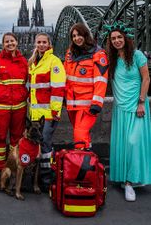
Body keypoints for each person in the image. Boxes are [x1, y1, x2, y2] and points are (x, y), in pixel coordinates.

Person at [105, 22, 151, 201]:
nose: (117, 41)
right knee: (123, 144)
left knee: (134, 142)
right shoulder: (112, 59)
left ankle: (131, 182)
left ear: (125, 38)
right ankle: (124, 179)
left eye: (119, 37)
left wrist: (141, 102)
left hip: (137, 105)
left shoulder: (138, 55)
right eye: (113, 38)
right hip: (120, 107)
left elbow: (146, 78)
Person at [0, 33, 28, 181]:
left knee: (17, 139)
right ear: (3, 44)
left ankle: (13, 165)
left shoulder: (23, 61)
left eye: (12, 41)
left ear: (17, 42)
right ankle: (0, 167)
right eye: (7, 41)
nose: (10, 43)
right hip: (1, 107)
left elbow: (26, 81)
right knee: (0, 139)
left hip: (19, 107)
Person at [28, 33, 66, 192]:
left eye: (44, 42)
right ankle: (40, 176)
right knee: (38, 146)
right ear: (35, 43)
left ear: (49, 44)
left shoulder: (54, 61)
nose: (41, 44)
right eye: (39, 42)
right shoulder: (33, 62)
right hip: (35, 115)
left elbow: (58, 90)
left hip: (48, 115)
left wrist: (56, 111)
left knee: (45, 147)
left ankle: (47, 179)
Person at [63, 23, 108, 149]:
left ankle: (81, 165)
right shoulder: (70, 54)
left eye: (79, 35)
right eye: (74, 36)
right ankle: (88, 164)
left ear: (86, 35)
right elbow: (65, 77)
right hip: (72, 104)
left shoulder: (98, 54)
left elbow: (101, 80)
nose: (77, 38)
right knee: (82, 135)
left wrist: (97, 103)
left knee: (80, 134)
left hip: (88, 104)